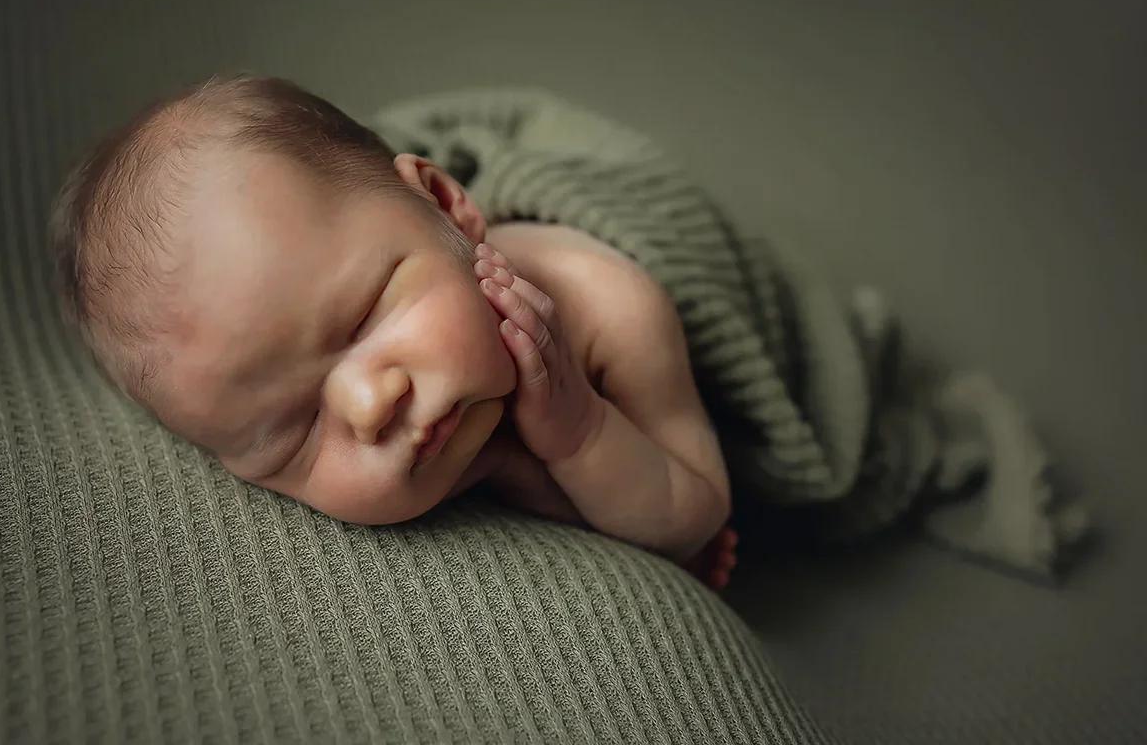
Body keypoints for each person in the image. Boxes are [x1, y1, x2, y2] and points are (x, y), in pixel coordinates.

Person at [50, 75, 738, 588]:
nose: (367, 405)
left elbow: (696, 513)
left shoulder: (613, 309)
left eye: (360, 319)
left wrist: (582, 431)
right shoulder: (420, 379)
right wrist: (507, 463)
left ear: (446, 204)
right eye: (293, 431)